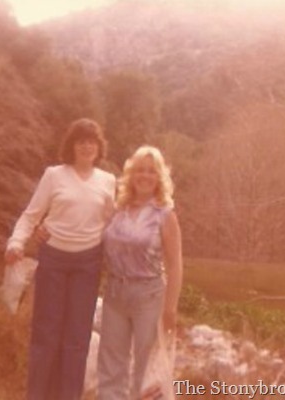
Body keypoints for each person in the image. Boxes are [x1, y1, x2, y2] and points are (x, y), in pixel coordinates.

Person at [4, 118, 116, 400]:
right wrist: (16, 242)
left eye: (92, 142)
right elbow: (31, 215)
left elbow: (112, 224)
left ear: (99, 147)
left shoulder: (108, 181)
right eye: (81, 141)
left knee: (77, 337)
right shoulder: (54, 175)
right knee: (46, 334)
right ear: (72, 145)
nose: (86, 147)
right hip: (53, 259)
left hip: (88, 264)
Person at [98, 145, 183, 400]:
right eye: (140, 170)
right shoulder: (118, 210)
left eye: (151, 171)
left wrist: (170, 308)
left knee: (146, 369)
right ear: (131, 174)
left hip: (149, 296)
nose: (145, 176)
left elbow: (175, 264)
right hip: (115, 293)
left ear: (159, 178)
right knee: (111, 364)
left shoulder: (164, 215)